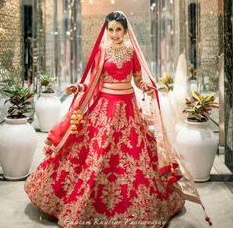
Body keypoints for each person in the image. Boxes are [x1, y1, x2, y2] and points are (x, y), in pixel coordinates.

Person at [25, 11, 211, 227]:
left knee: (134, 153)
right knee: (96, 152)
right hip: (104, 109)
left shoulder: (132, 52)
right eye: (110, 29)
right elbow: (93, 80)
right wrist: (77, 87)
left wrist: (146, 87)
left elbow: (138, 79)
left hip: (128, 109)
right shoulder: (101, 51)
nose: (114, 34)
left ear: (125, 30)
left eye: (118, 29)